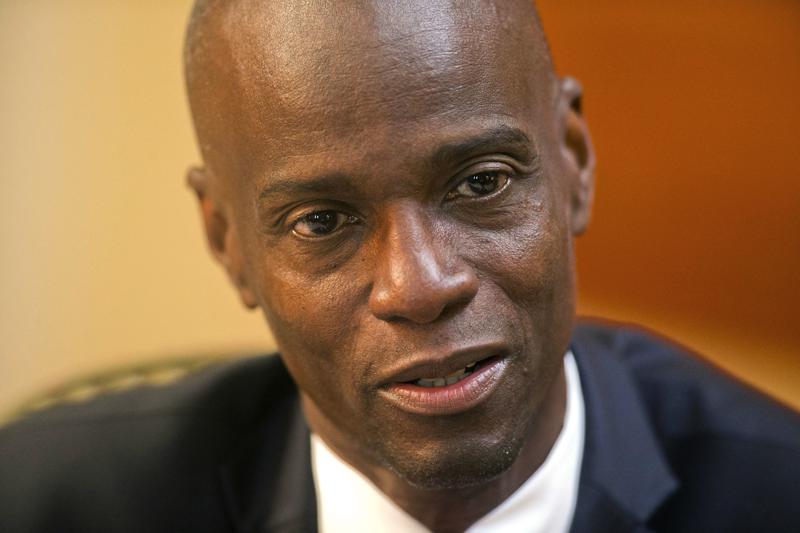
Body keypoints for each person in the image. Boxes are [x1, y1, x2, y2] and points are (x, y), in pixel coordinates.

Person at [1, 1, 799, 532]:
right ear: (227, 243)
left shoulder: (774, 495)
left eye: (481, 183)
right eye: (321, 222)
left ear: (574, 163)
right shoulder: (46, 500)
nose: (419, 285)